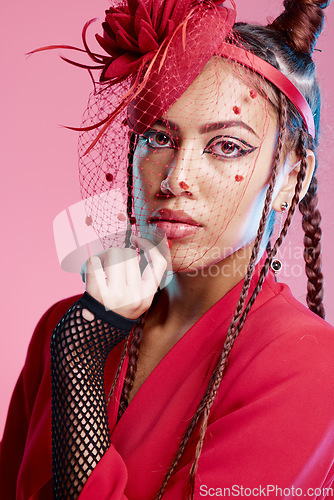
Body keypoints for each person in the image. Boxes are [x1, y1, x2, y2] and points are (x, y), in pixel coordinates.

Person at [1, 0, 334, 498]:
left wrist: (79, 367)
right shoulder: (66, 325)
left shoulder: (311, 367)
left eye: (227, 146)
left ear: (292, 175)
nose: (176, 178)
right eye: (158, 136)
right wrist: (79, 345)